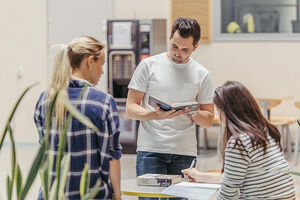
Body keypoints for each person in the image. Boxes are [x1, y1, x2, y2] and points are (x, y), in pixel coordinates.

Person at [126, 17, 214, 181]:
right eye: (174, 46)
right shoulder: (148, 65)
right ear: (170, 37)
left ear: (195, 47)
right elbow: (130, 108)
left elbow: (208, 120)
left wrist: (190, 111)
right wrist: (155, 115)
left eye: (185, 50)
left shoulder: (202, 74)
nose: (177, 53)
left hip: (184, 151)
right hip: (150, 149)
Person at [34, 36, 122, 200]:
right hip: (91, 195)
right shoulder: (103, 103)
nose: (102, 71)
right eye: (101, 64)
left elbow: (45, 152)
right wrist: (117, 195)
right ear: (90, 61)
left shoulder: (45, 100)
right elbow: (112, 157)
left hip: (52, 195)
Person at [182, 81, 296, 199]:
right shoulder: (265, 131)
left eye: (218, 110)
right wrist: (200, 176)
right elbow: (233, 177)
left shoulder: (239, 142)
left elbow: (227, 194)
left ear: (227, 111)